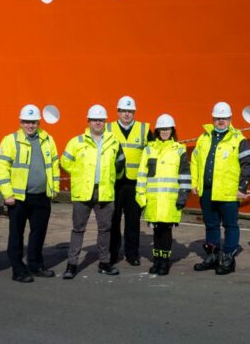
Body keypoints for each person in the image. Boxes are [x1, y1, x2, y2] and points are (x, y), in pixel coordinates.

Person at [0, 104, 61, 282]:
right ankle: (18, 269)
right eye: (26, 122)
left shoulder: (47, 139)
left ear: (38, 122)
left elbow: (54, 165)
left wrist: (54, 188)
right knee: (16, 234)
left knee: (38, 233)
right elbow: (2, 168)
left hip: (41, 196)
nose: (30, 126)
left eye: (33, 122)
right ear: (21, 122)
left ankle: (35, 264)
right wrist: (7, 193)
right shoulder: (10, 141)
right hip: (18, 198)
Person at [60, 104, 124, 279]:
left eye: (101, 120)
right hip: (83, 191)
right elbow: (65, 162)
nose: (98, 123)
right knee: (78, 229)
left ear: (105, 121)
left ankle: (104, 263)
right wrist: (79, 173)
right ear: (88, 121)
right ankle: (71, 265)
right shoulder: (76, 142)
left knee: (105, 230)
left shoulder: (113, 141)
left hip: (104, 192)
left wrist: (113, 175)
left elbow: (120, 166)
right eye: (95, 120)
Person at [190, 101, 250, 275]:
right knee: (211, 225)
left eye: (224, 118)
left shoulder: (238, 139)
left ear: (230, 119)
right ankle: (212, 256)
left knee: (230, 225)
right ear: (213, 118)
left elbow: (248, 164)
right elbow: (195, 161)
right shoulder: (204, 138)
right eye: (218, 118)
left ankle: (227, 258)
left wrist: (242, 187)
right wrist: (194, 183)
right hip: (208, 191)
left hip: (228, 192)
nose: (221, 121)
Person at [135, 114, 190, 275]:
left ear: (172, 130)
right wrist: (141, 196)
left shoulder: (179, 150)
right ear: (157, 131)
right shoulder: (149, 149)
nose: (164, 132)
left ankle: (164, 262)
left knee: (166, 232)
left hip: (170, 201)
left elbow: (185, 175)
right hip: (153, 200)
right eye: (162, 129)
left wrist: (182, 197)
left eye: (167, 129)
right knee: (156, 231)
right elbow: (142, 174)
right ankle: (157, 260)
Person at [106, 95, 152, 266]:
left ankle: (132, 253)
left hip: (135, 183)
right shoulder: (108, 128)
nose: (126, 114)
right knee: (113, 219)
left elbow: (152, 153)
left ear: (134, 112)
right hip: (114, 182)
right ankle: (112, 253)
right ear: (117, 112)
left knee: (133, 221)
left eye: (130, 111)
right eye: (123, 111)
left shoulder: (145, 129)